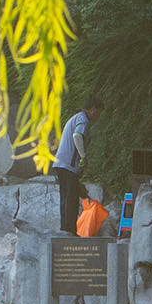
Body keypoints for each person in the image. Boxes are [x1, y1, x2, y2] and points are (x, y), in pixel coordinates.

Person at [52, 95, 101, 233]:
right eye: (98, 111)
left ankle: (64, 229)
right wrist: (83, 157)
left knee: (65, 197)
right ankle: (70, 231)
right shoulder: (83, 120)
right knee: (71, 199)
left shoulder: (77, 118)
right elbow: (77, 136)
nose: (98, 115)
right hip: (68, 165)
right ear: (92, 109)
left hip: (61, 163)